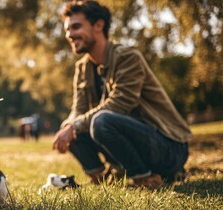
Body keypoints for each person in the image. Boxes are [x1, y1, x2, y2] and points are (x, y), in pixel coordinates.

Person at [53, 1, 191, 188]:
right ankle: (100, 178)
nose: (70, 34)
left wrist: (74, 125)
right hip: (131, 145)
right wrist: (69, 126)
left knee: (101, 121)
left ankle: (145, 178)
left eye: (76, 27)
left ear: (98, 25)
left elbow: (120, 104)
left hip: (168, 148)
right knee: (71, 127)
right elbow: (78, 110)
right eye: (67, 29)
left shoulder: (127, 56)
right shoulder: (82, 67)